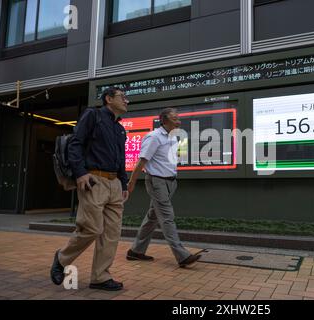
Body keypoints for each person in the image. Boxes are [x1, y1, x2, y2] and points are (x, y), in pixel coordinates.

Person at [50, 87, 130, 291]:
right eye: (122, 97)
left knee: (111, 234)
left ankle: (100, 277)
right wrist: (80, 173)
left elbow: (120, 159)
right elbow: (75, 144)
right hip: (93, 179)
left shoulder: (120, 129)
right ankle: (61, 258)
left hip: (114, 184)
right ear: (108, 99)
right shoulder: (93, 116)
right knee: (92, 228)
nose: (126, 101)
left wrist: (123, 182)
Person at [126, 108, 201, 268]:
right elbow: (141, 162)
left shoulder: (173, 137)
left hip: (170, 182)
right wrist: (131, 182)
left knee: (153, 217)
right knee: (167, 217)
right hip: (157, 182)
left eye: (178, 117)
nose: (178, 120)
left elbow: (172, 159)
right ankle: (182, 256)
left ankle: (136, 251)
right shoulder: (154, 137)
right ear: (164, 121)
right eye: (175, 118)